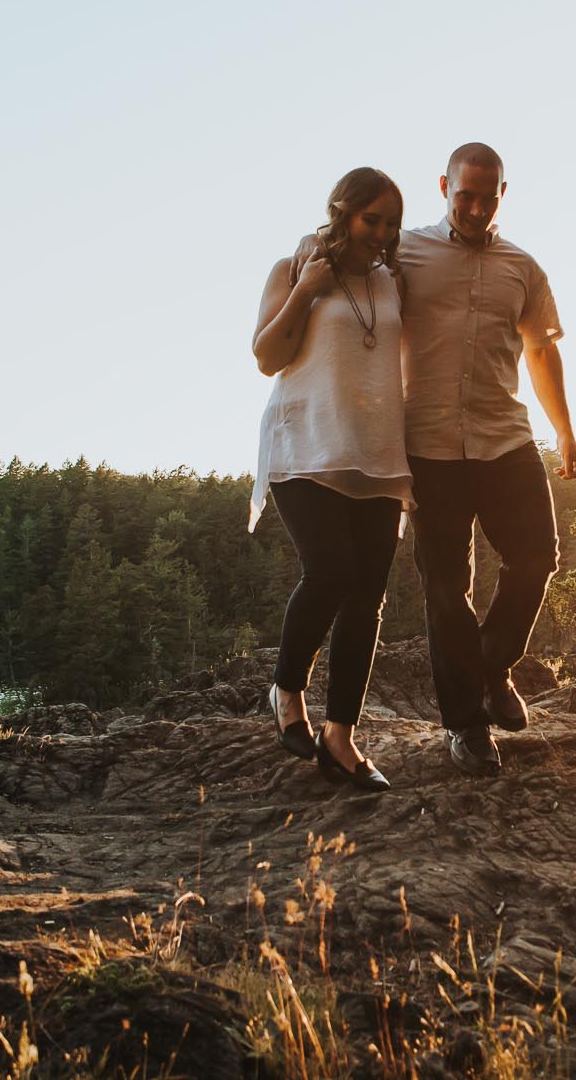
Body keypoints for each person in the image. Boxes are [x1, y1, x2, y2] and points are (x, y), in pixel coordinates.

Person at [400, 142, 576, 778]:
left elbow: (541, 351)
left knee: (537, 556)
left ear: (503, 193)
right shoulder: (404, 253)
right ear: (445, 187)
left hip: (505, 437)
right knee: (447, 587)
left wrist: (564, 431)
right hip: (427, 447)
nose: (476, 208)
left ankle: (493, 665)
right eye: (464, 196)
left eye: (488, 196)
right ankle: (467, 727)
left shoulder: (523, 268)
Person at [250, 167, 413, 794]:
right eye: (372, 220)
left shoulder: (394, 281)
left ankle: (340, 738)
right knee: (331, 571)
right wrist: (308, 289)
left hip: (376, 453)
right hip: (304, 445)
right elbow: (267, 356)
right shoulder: (295, 269)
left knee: (367, 601)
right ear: (343, 212)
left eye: (392, 224)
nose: (382, 233)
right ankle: (287, 690)